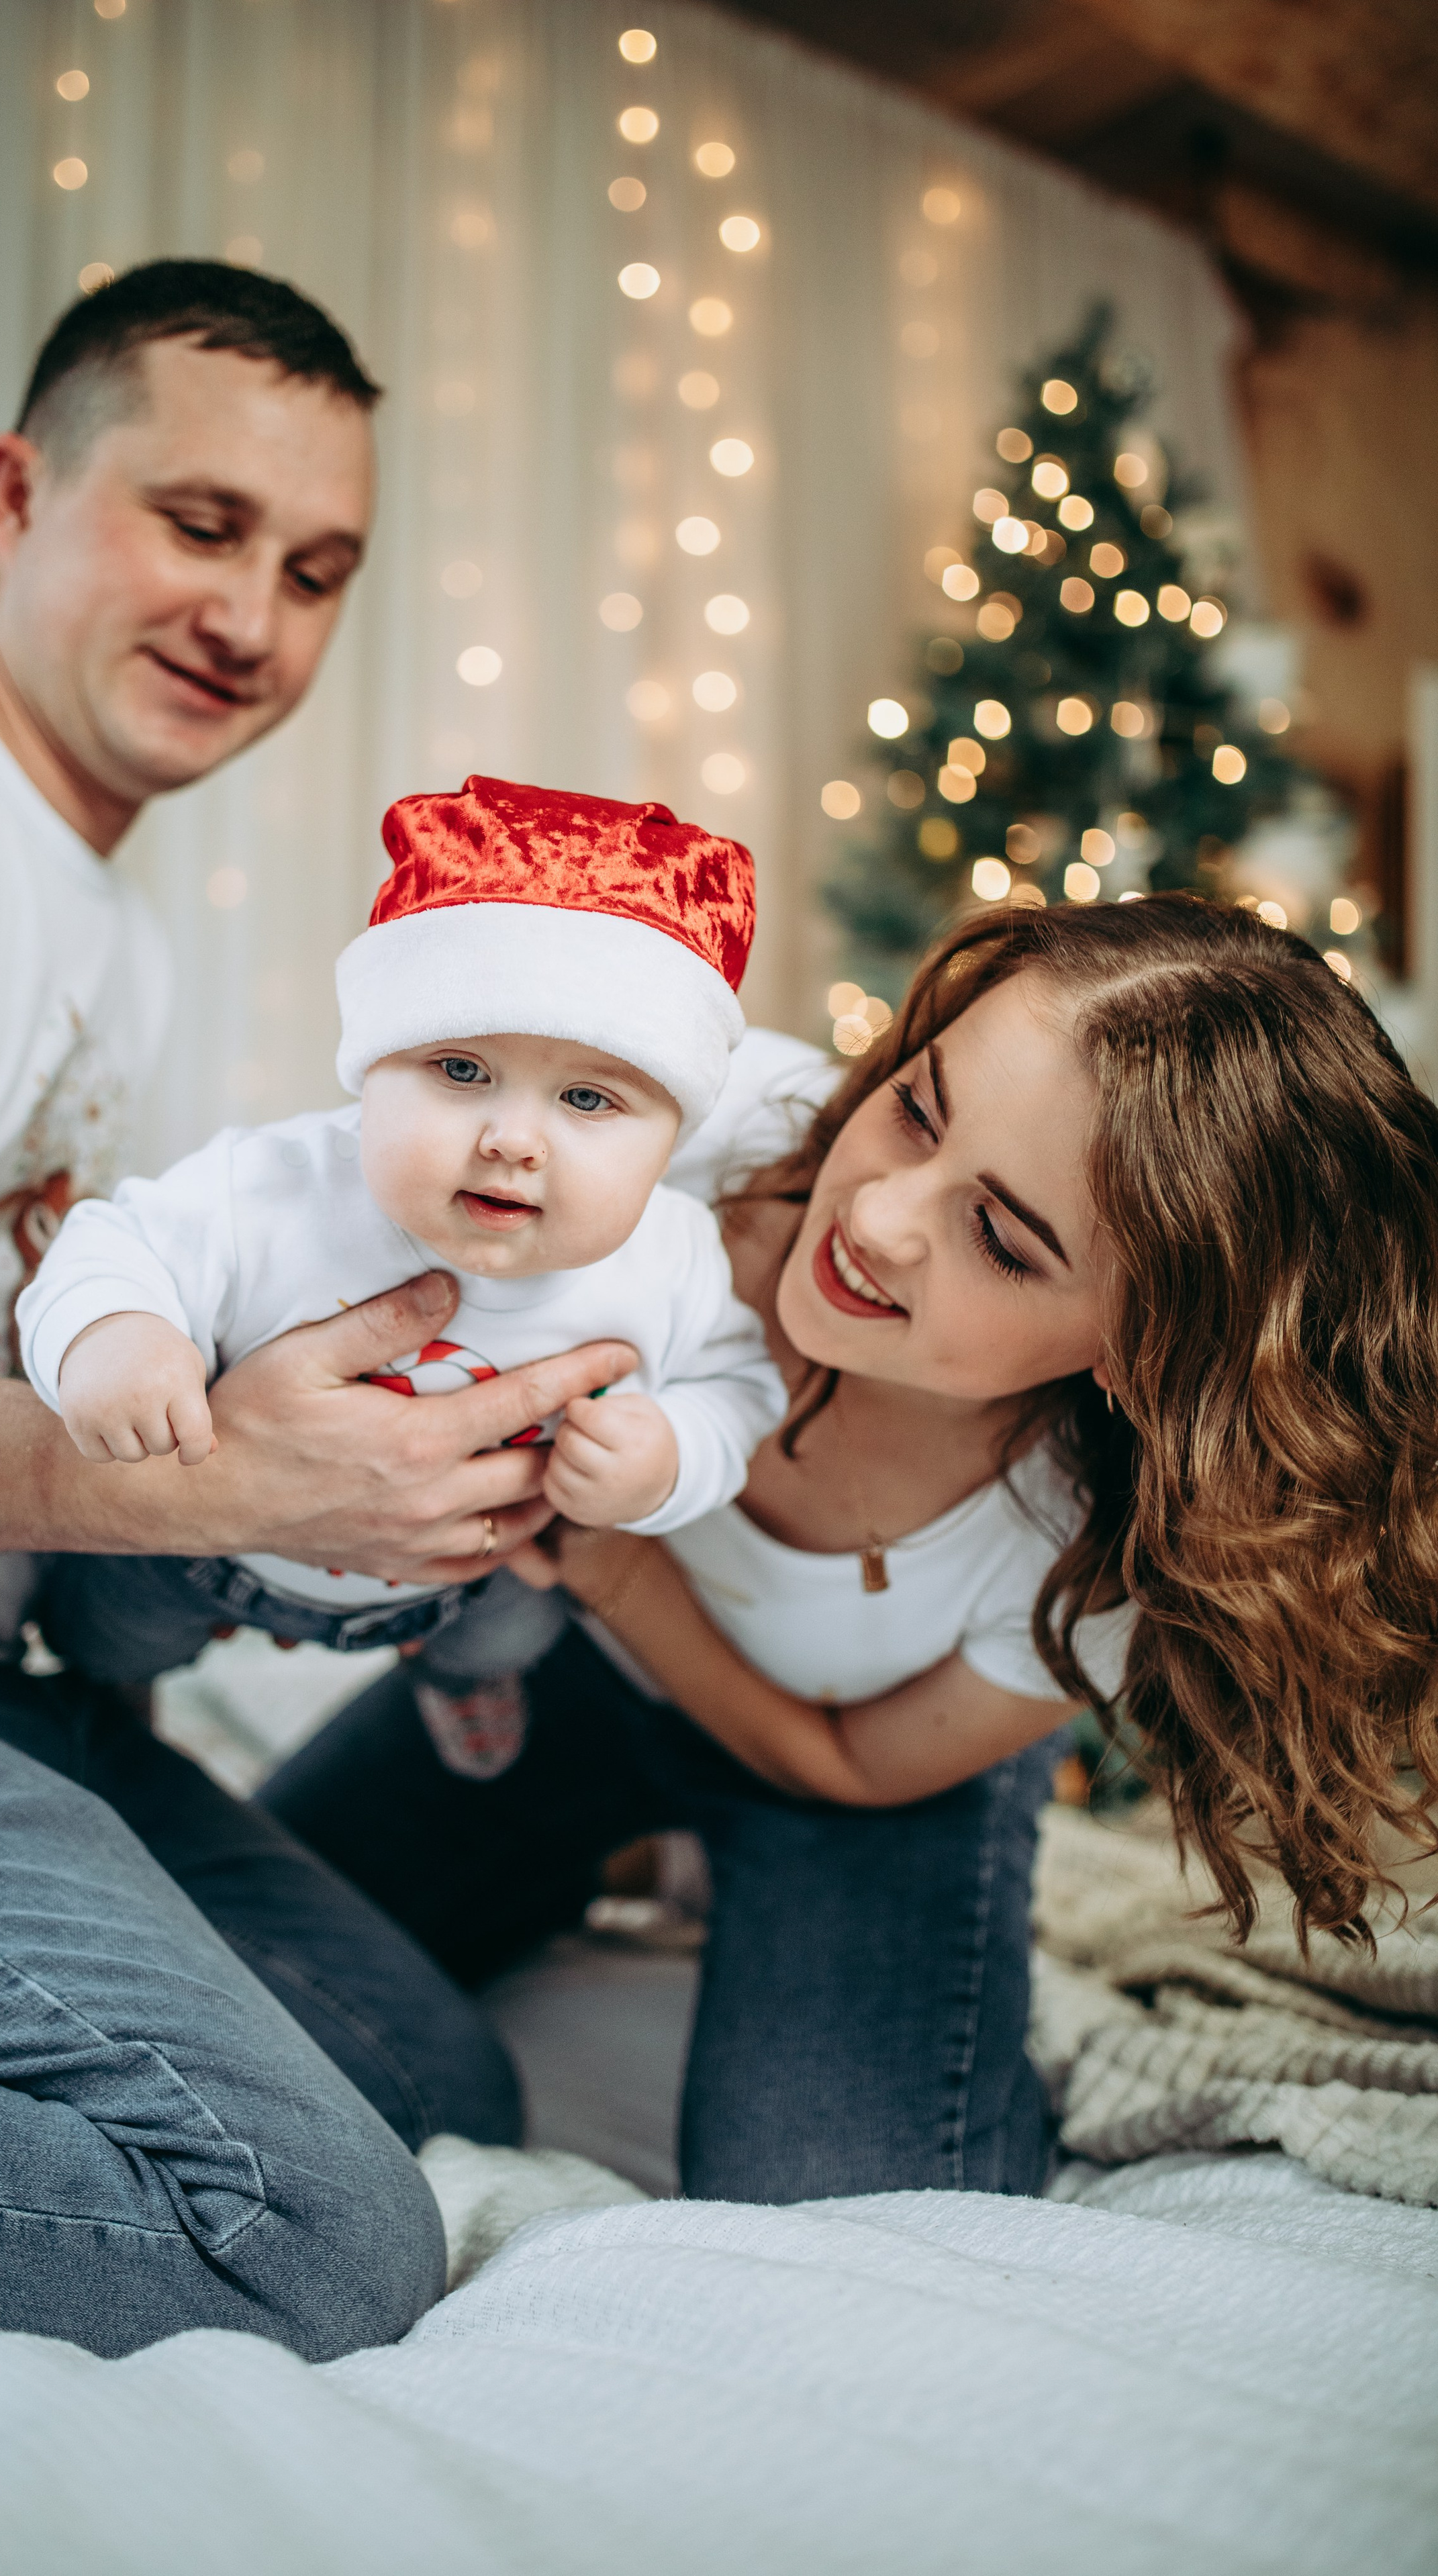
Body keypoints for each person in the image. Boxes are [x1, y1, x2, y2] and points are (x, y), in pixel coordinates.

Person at [0, 261, 635, 2358]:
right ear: (16, 487)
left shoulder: (114, 923)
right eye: (201, 527)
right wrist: (200, 1480)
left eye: (317, 571)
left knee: (438, 2084)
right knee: (302, 2232)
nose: (255, 620)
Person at [262, 893, 1438, 2201]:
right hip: (573, 1675)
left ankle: (686, 1858)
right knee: (250, 1986)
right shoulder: (693, 1132)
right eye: (916, 1109)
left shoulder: (1104, 1556)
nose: (876, 1216)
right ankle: (632, 1847)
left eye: (1000, 1236)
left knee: (849, 2210)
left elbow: (852, 1766)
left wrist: (612, 1568)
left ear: (1140, 1354)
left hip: (850, 1783)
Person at [19, 775, 785, 1774]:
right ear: (371, 1069)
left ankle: (460, 1678)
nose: (513, 1139)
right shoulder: (274, 1188)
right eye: (461, 1071)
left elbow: (741, 1388)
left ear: (672, 1135)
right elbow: (110, 1246)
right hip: (203, 1546)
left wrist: (671, 1455)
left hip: (460, 1578)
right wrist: (118, 1336)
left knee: (520, 1626)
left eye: (589, 1099)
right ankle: (106, 1704)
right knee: (107, 1624)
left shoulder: (675, 1258)